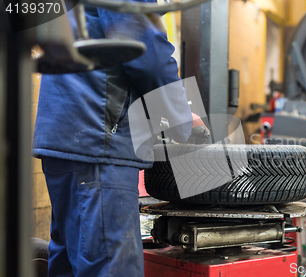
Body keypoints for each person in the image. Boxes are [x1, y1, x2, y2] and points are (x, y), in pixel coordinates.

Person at [32, 3, 206, 276]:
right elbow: (147, 50)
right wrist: (181, 119)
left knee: (70, 262)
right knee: (111, 267)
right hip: (99, 138)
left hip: (68, 134)